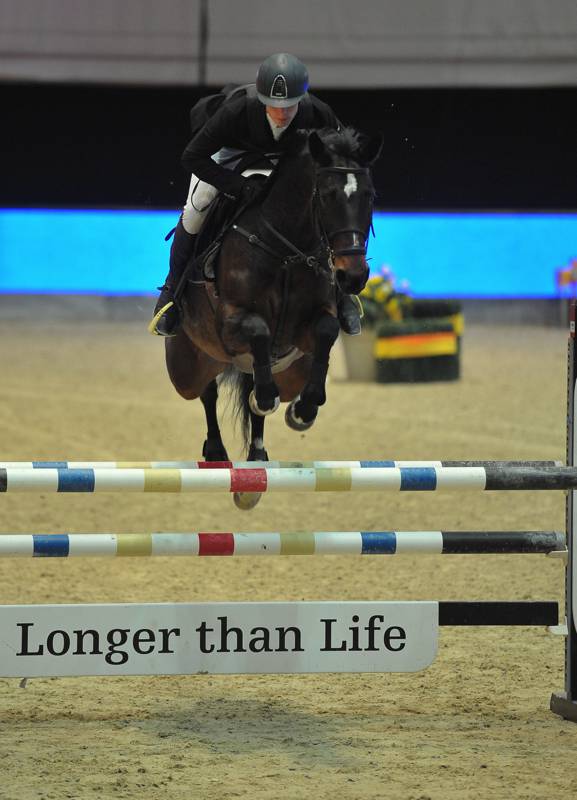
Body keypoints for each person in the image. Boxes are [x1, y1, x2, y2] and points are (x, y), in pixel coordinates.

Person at [149, 52, 362, 337]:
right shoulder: (237, 111)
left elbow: (340, 159)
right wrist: (238, 185)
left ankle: (341, 295)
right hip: (231, 156)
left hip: (286, 159)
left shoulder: (317, 113)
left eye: (289, 105)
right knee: (196, 208)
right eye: (274, 105)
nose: (282, 113)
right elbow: (192, 157)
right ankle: (172, 294)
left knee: (323, 204)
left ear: (301, 98)